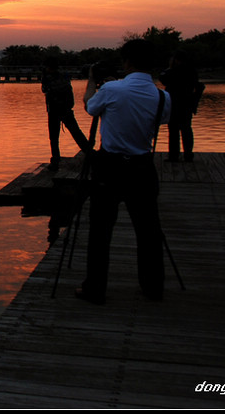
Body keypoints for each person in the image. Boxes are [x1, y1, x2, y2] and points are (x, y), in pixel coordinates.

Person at [76, 39, 171, 305]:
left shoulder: (112, 89)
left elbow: (90, 106)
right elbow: (162, 120)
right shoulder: (163, 96)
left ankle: (95, 288)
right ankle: (153, 287)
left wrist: (94, 81)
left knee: (100, 230)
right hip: (143, 166)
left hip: (110, 166)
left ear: (126, 60)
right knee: (149, 230)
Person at [41, 56, 89, 171]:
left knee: (54, 137)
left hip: (54, 111)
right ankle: (90, 153)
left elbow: (45, 90)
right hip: (66, 109)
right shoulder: (65, 76)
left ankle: (55, 161)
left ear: (48, 67)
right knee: (76, 133)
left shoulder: (47, 78)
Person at [160, 51, 205, 162]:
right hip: (187, 104)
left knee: (174, 131)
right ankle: (188, 155)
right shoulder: (191, 71)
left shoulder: (172, 72)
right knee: (186, 130)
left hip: (174, 104)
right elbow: (196, 85)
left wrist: (169, 68)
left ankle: (174, 155)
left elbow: (162, 78)